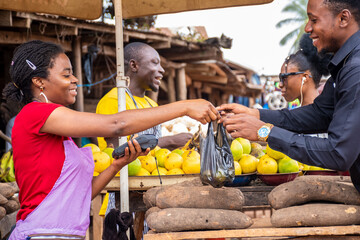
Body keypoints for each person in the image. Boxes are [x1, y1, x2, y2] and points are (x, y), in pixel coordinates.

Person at [3, 40, 219, 240]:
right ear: (39, 81)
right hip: (41, 233)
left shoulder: (57, 132)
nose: (75, 80)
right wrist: (183, 107)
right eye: (66, 75)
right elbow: (117, 124)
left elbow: (81, 194)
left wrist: (118, 164)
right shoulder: (35, 114)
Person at [218, 0, 360, 192]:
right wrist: (256, 115)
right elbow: (320, 114)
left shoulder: (356, 69)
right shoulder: (346, 66)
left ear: (343, 18)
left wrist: (265, 132)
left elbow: (338, 153)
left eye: (314, 20)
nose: (307, 28)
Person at [96, 42, 192, 151]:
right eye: (155, 63)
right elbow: (116, 150)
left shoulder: (152, 104)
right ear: (134, 65)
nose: (162, 69)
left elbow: (155, 150)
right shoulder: (115, 101)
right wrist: (170, 141)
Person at [279, 33, 331, 107]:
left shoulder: (317, 116)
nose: (280, 85)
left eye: (284, 77)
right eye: (280, 78)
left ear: (305, 77)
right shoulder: (322, 110)